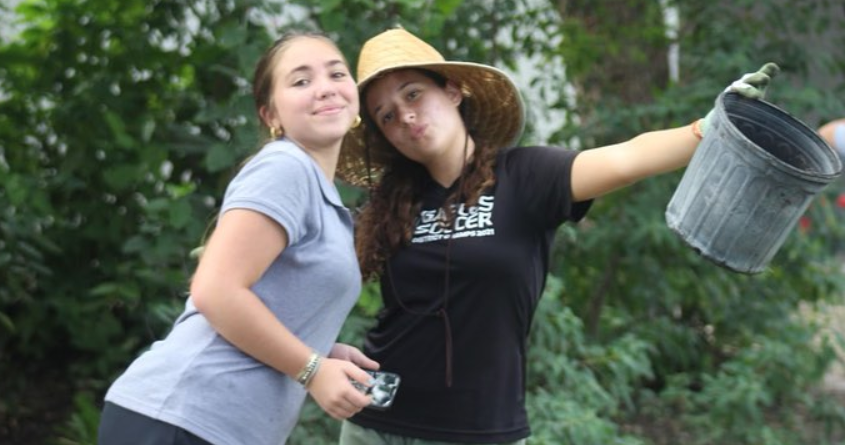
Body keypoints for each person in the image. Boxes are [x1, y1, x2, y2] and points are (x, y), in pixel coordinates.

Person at [334, 27, 779, 445]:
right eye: (387, 115)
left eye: (414, 94)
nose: (406, 116)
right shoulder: (388, 208)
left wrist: (707, 128)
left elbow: (628, 158)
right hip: (376, 424)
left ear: (452, 91)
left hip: (481, 430)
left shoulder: (526, 176)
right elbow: (306, 276)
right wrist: (315, 355)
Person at [98, 31, 380, 445]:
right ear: (272, 116)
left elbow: (266, 297)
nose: (324, 88)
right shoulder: (286, 167)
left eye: (336, 74)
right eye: (301, 81)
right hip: (181, 418)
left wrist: (318, 345)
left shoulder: (322, 197)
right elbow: (216, 290)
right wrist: (312, 368)